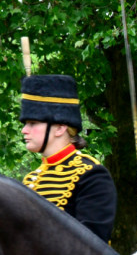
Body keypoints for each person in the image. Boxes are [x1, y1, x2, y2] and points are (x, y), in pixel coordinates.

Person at [20, 74, 118, 242]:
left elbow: (93, 247)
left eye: (32, 123)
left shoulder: (91, 175)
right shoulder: (30, 180)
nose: (24, 130)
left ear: (60, 128)